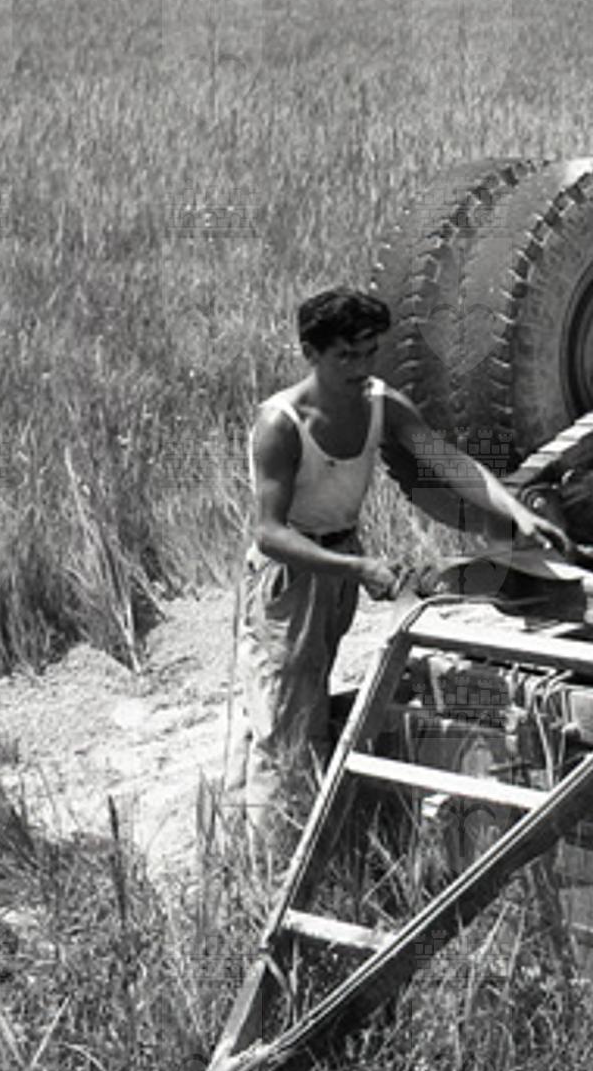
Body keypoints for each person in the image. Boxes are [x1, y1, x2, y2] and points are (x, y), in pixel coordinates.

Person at [233, 285, 567, 860]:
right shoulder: (280, 424)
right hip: (290, 576)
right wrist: (358, 566)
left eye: (369, 353)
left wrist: (514, 511)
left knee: (296, 702)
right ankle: (274, 870)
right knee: (284, 722)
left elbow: (446, 462)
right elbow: (270, 533)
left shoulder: (380, 404)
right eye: (346, 356)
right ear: (311, 353)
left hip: (340, 560)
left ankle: (265, 842)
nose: (361, 368)